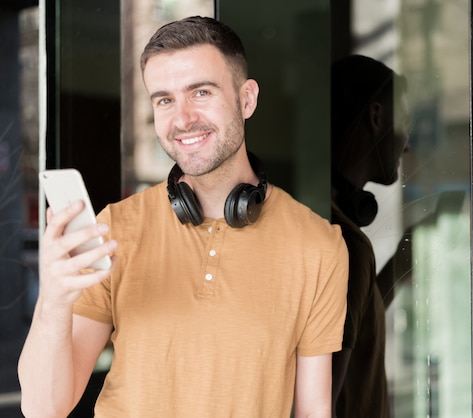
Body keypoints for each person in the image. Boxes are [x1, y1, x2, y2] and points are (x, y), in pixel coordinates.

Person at [18, 16, 348, 418]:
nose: (182, 118)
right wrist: (53, 300)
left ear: (247, 99)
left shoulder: (317, 244)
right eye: (164, 100)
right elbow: (43, 408)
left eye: (201, 92)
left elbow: (314, 411)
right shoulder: (115, 227)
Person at [330, 55, 409, 418]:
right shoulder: (345, 244)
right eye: (404, 121)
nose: (407, 143)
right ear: (376, 117)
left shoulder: (327, 226)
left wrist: (400, 267)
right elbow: (320, 401)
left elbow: (354, 324)